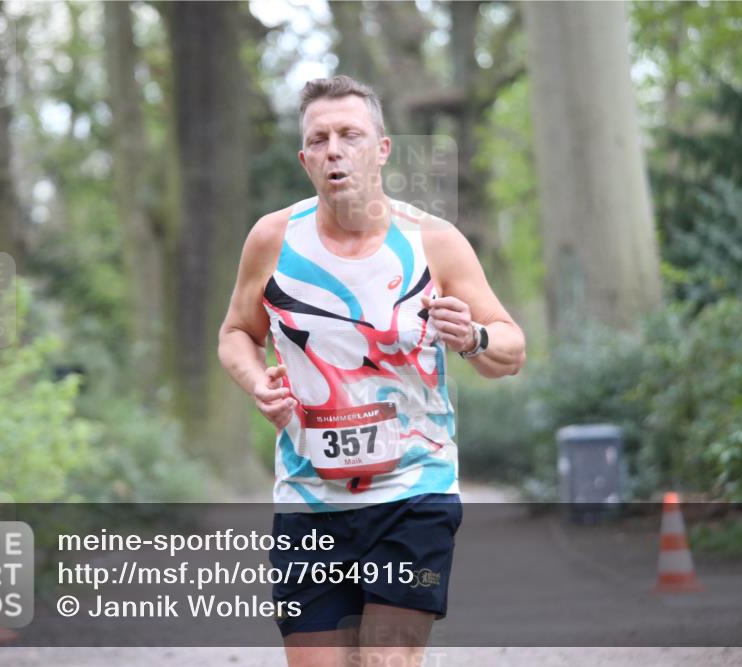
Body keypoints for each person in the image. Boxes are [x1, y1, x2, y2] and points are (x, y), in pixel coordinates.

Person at [218, 74, 526, 667]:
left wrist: (475, 336)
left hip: (414, 492)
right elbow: (236, 332)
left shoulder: (432, 242)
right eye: (320, 138)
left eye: (350, 135)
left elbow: (510, 351)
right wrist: (257, 381)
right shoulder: (272, 240)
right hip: (309, 497)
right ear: (304, 157)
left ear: (381, 149)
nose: (335, 149)